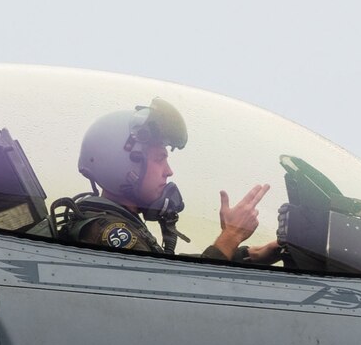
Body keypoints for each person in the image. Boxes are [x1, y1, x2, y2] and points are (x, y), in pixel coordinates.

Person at [56, 97, 280, 263]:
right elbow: (178, 296)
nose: (169, 171)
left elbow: (169, 271)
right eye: (160, 159)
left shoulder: (115, 223)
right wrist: (231, 235)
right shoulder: (110, 233)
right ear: (125, 164)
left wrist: (252, 254)